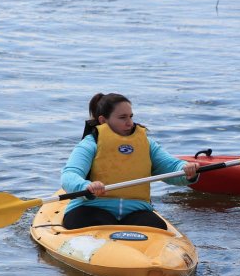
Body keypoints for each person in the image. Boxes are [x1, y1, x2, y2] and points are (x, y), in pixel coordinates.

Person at [61, 93, 200, 230]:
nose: (130, 122)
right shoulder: (91, 143)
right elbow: (69, 175)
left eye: (130, 116)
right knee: (98, 222)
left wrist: (186, 170)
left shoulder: (146, 143)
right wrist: (86, 186)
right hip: (92, 208)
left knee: (158, 226)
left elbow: (171, 166)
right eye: (122, 118)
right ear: (103, 120)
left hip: (135, 211)